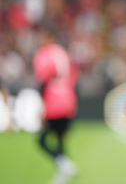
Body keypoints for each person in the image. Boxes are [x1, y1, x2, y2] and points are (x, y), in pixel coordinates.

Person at [33, 29, 79, 184]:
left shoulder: (44, 54)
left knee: (41, 140)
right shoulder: (63, 53)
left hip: (54, 102)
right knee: (60, 139)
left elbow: (43, 80)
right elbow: (73, 76)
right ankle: (64, 170)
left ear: (48, 37)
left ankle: (65, 165)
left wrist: (42, 107)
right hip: (67, 99)